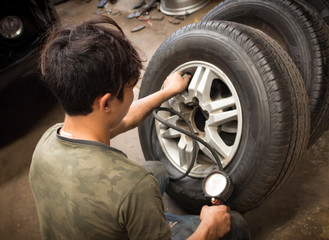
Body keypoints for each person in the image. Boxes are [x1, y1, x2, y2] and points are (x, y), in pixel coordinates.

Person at [29, 15, 250, 240]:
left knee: (157, 169)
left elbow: (126, 119)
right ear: (106, 103)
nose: (132, 95)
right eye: (130, 89)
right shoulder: (133, 186)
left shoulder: (47, 142)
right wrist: (209, 229)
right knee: (234, 225)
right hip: (129, 197)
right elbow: (135, 186)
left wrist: (167, 92)